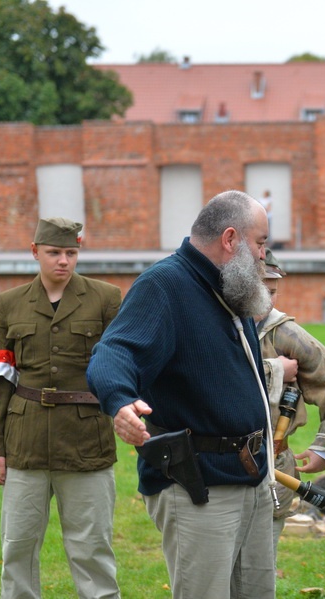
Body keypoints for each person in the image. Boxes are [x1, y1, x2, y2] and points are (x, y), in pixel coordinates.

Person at [86, 190, 276, 599]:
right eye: (260, 243)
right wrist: (119, 400)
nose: (264, 255)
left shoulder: (228, 288)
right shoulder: (164, 285)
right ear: (230, 239)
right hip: (198, 487)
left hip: (252, 479)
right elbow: (114, 352)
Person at [0, 217, 122, 599]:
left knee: (92, 548)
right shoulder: (10, 303)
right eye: (54, 252)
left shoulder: (106, 298)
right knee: (18, 548)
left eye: (71, 253)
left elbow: (118, 366)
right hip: (24, 441)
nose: (63, 261)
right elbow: (1, 376)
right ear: (35, 252)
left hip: (86, 440)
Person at [255, 249, 325, 555]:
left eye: (273, 291)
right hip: (215, 466)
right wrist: (274, 371)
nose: (267, 299)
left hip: (274, 463)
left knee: (259, 567)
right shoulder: (212, 326)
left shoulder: (283, 333)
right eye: (260, 289)